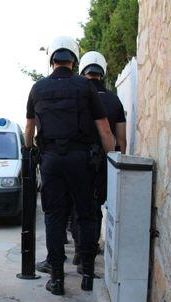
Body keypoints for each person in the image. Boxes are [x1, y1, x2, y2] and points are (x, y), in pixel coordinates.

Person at [25, 36, 115, 295]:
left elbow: (29, 129)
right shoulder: (85, 87)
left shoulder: (37, 88)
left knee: (54, 217)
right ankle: (87, 273)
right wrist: (111, 162)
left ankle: (57, 278)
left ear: (52, 59)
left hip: (51, 160)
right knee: (86, 215)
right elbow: (104, 129)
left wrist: (30, 151)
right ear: (74, 60)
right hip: (81, 160)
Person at [71, 51, 127, 271]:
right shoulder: (114, 99)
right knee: (94, 210)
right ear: (102, 72)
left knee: (77, 207)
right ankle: (90, 254)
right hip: (103, 162)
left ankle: (78, 251)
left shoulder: (77, 94)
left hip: (78, 159)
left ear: (83, 70)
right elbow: (120, 138)